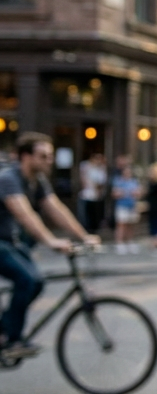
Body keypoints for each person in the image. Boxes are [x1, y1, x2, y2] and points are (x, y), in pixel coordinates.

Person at [0, 133, 100, 358]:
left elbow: (56, 209)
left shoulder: (38, 182)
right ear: (26, 157)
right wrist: (50, 241)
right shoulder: (8, 178)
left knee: (36, 282)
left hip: (10, 242)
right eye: (43, 156)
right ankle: (12, 340)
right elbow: (25, 215)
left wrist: (84, 236)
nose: (49, 161)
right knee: (26, 279)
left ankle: (4, 328)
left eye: (51, 156)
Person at [111, 164, 142, 255]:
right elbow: (114, 194)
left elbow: (139, 192)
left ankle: (130, 242)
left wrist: (136, 193)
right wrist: (121, 193)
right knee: (121, 225)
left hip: (131, 206)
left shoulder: (134, 181)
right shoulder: (118, 181)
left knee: (131, 225)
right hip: (122, 206)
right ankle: (119, 243)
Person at [77, 152, 107, 233]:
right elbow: (83, 179)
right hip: (87, 195)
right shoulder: (85, 166)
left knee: (95, 215)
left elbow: (102, 182)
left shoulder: (101, 169)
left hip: (97, 197)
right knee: (86, 216)